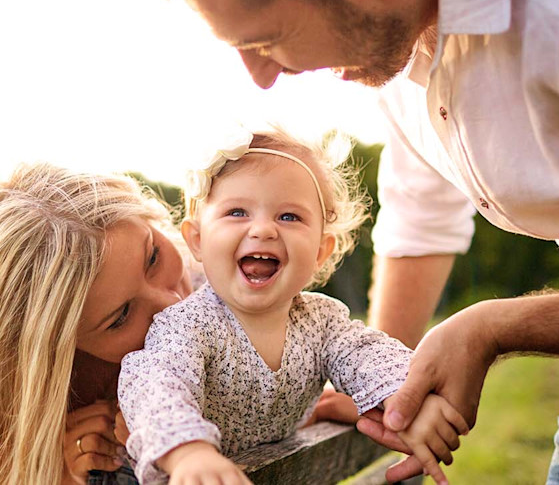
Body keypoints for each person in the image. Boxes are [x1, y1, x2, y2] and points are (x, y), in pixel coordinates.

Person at [147, 0, 559, 482]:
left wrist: (497, 325)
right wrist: (386, 393)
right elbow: (419, 219)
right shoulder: (395, 49)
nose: (261, 77)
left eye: (266, 39)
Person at [0, 161, 359, 485]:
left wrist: (296, 402)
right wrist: (64, 472)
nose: (170, 298)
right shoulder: (60, 412)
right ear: (56, 355)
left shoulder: (222, 287)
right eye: (119, 317)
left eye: (153, 255)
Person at [118, 126, 468, 485]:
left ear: (319, 251)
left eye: (289, 217)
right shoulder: (186, 326)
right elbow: (155, 386)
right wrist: (188, 451)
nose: (264, 230)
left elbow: (370, 355)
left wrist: (406, 398)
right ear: (197, 240)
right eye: (238, 212)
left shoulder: (322, 322)